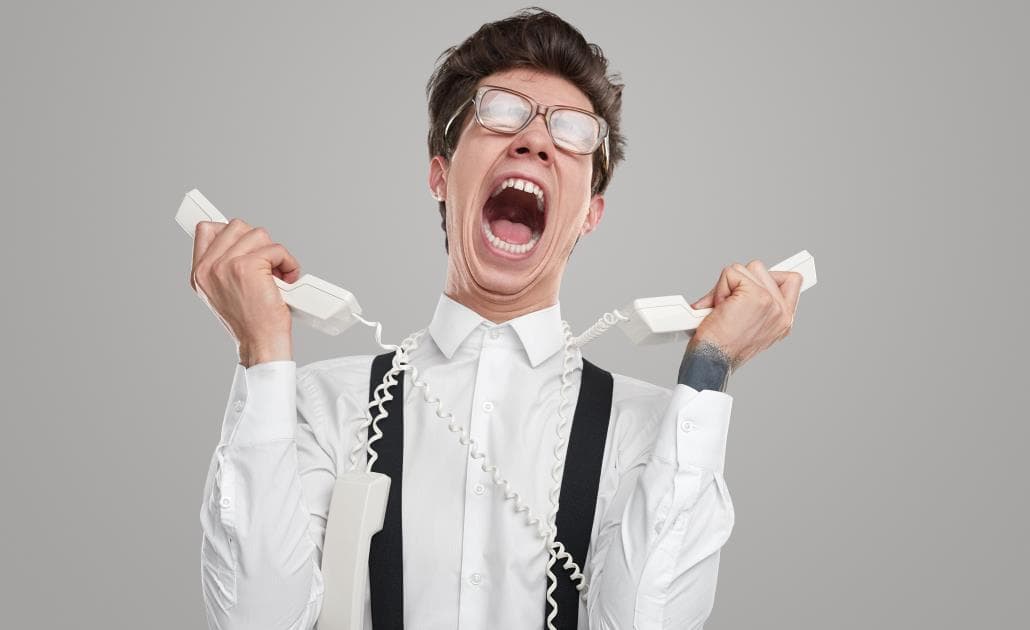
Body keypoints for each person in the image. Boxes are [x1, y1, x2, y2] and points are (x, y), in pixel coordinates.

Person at [192, 8, 802, 630]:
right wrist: (262, 352)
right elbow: (256, 619)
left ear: (591, 214)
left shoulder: (649, 429)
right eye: (501, 113)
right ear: (440, 174)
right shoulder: (323, 406)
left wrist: (707, 373)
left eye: (572, 131)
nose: (534, 141)